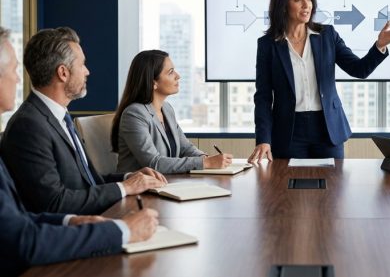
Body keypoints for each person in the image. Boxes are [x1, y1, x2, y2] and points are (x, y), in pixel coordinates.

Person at [0, 27, 159, 277]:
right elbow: (51, 204)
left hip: (77, 230)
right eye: (82, 64)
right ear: (63, 73)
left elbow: (89, 182)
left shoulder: (60, 118)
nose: (88, 71)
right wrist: (122, 227)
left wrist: (130, 179)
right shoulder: (28, 125)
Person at [248, 0, 390, 161]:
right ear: (283, 4)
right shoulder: (268, 44)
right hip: (288, 132)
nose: (307, 5)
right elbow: (263, 97)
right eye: (298, 0)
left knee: (333, 187)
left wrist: (379, 45)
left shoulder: (327, 35)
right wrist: (263, 139)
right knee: (287, 187)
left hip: (327, 129)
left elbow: (359, 69)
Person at [112, 50, 233, 173]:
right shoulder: (134, 114)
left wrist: (205, 157)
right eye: (171, 72)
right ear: (153, 82)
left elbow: (185, 148)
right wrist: (204, 163)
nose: (178, 76)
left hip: (165, 184)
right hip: (138, 189)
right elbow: (153, 163)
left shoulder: (167, 109)